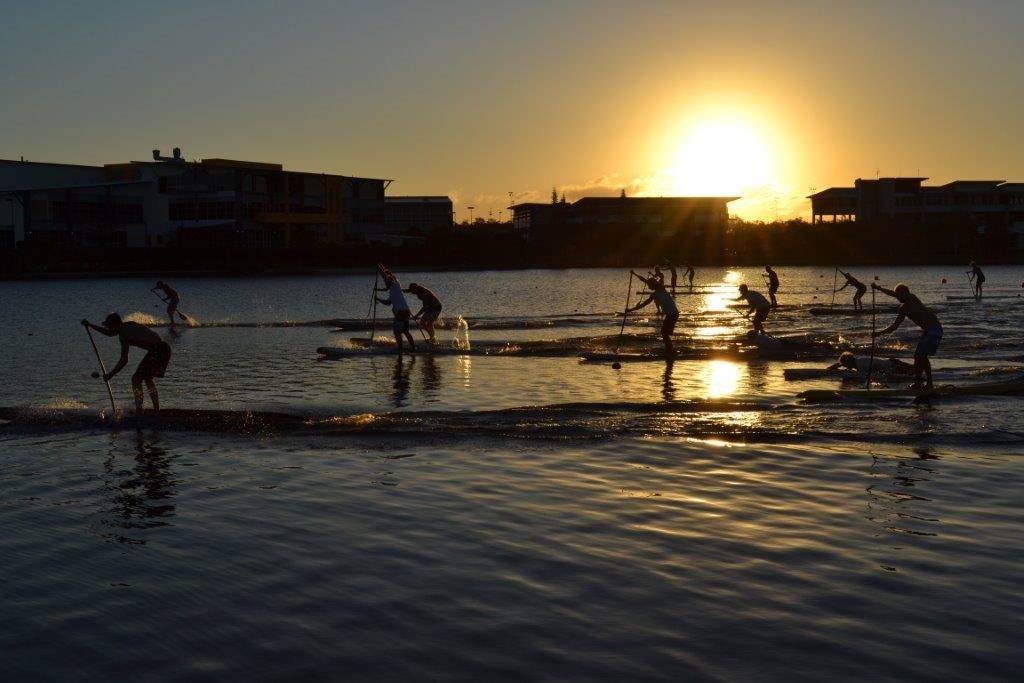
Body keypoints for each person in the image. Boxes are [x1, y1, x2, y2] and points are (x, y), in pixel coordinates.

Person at [81, 313, 171, 414]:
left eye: (109, 326)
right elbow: (110, 333)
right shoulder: (125, 326)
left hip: (159, 350)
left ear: (115, 325)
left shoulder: (124, 334)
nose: (109, 329)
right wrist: (90, 325)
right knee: (147, 379)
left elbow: (124, 360)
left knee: (136, 379)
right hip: (163, 349)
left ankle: (140, 410)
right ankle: (155, 410)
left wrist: (111, 374)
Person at [871, 282, 943, 389]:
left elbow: (894, 294)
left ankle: (925, 384)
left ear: (907, 293)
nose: (898, 297)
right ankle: (922, 383)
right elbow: (895, 326)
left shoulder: (912, 298)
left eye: (900, 294)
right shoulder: (903, 309)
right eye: (898, 296)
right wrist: (878, 333)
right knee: (920, 357)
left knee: (920, 356)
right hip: (928, 331)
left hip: (934, 329)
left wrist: (879, 288)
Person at [626, 270, 679, 356]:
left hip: (673, 314)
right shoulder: (654, 294)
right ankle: (670, 350)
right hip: (671, 314)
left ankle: (670, 351)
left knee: (664, 333)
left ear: (652, 285)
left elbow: (646, 281)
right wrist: (630, 310)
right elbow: (643, 304)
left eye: (649, 285)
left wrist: (630, 310)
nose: (648, 287)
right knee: (664, 333)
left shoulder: (661, 288)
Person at [375, 266, 416, 354]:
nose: (386, 283)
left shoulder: (395, 285)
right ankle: (413, 348)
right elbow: (388, 303)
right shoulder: (395, 290)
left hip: (401, 313)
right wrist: (378, 299)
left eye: (387, 281)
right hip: (406, 312)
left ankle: (401, 350)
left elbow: (386, 277)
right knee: (406, 331)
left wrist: (380, 269)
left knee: (397, 332)